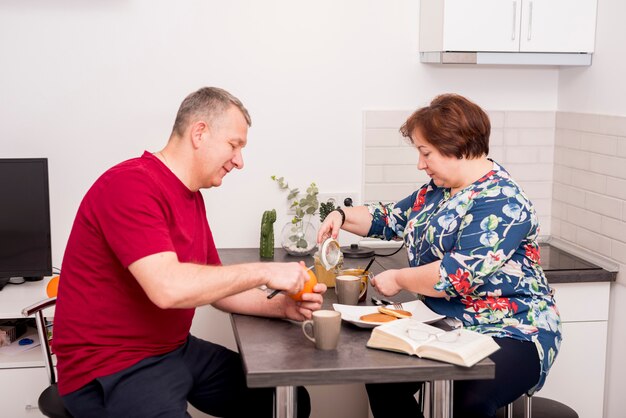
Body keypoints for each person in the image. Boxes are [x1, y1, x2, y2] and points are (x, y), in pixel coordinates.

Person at [53, 87, 326, 418]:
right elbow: (168, 289)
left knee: (289, 403)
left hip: (174, 349)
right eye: (235, 145)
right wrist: (266, 271)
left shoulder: (191, 197)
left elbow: (220, 292)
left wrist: (283, 307)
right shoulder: (130, 186)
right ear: (200, 132)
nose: (240, 161)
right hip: (110, 366)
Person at [318, 93, 561, 418]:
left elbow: (456, 276)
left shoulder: (504, 201)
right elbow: (389, 218)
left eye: (425, 153)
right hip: (443, 322)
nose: (420, 163)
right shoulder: (437, 191)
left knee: (469, 399)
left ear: (456, 146)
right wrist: (341, 216)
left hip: (512, 328)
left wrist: (399, 278)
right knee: (381, 377)